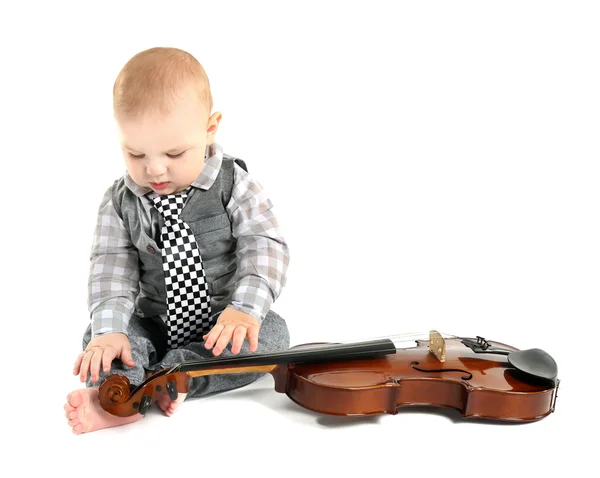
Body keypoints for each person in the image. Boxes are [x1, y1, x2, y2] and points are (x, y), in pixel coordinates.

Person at [64, 47, 290, 435]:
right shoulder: (120, 201)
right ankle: (116, 397)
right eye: (135, 153)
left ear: (210, 128)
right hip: (154, 320)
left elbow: (264, 243)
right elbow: (111, 268)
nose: (153, 169)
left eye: (174, 153)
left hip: (222, 323)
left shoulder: (235, 185)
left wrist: (244, 309)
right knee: (104, 338)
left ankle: (176, 379)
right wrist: (110, 329)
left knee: (272, 337)